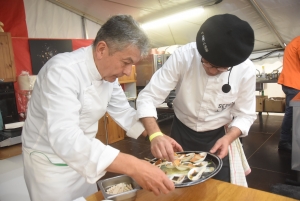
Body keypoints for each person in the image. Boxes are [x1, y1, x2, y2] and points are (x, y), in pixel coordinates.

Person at [21, 15, 181, 201]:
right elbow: (65, 137)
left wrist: (155, 136)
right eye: (126, 62)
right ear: (102, 49)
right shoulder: (62, 72)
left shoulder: (108, 77)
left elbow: (124, 112)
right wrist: (134, 166)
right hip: (50, 166)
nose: (128, 72)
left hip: (87, 160)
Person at [136, 14, 256, 185]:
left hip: (219, 135)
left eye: (221, 68)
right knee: (178, 184)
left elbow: (245, 115)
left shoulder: (246, 70)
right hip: (181, 132)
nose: (212, 71)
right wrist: (155, 134)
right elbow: (148, 96)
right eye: (207, 63)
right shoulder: (183, 56)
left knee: (220, 188)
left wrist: (229, 138)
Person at [277, 36, 300, 152]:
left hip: (290, 82)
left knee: (292, 113)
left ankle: (288, 139)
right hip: (294, 83)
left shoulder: (295, 41)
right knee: (292, 113)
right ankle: (284, 141)